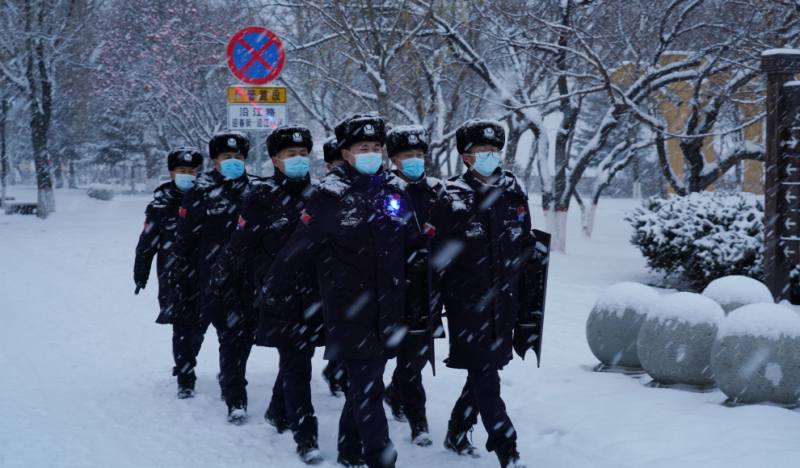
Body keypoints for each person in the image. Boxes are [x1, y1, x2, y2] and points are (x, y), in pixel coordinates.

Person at [259, 114, 417, 468]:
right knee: (368, 387)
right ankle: (380, 458)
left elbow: (412, 247)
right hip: (349, 310)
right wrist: (271, 286)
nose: (371, 152)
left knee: (367, 385)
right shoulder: (328, 197)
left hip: (388, 309)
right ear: (346, 154)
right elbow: (297, 247)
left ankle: (349, 449)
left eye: (376, 146)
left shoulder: (395, 191)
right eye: (363, 147)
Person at [210, 125, 324, 464]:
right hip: (280, 296)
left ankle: (277, 409)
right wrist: (220, 277)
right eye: (291, 154)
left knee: (299, 361)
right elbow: (240, 244)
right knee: (297, 366)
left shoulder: (322, 196)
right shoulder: (261, 198)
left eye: (303, 154)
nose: (299, 159)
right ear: (275, 160)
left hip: (317, 296)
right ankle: (306, 437)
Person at [426, 119, 533, 468]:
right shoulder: (451, 197)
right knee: (486, 377)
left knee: (483, 372)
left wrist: (528, 306)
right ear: (466, 156)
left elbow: (527, 249)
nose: (489, 155)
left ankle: (457, 430)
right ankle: (507, 449)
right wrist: (431, 309)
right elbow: (435, 258)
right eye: (481, 150)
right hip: (467, 306)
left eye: (494, 150)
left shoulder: (514, 192)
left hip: (505, 303)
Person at [168, 131, 259, 425]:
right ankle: (234, 398)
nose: (233, 161)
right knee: (226, 337)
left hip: (251, 280)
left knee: (243, 338)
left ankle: (231, 381)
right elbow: (184, 240)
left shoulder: (257, 190)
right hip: (213, 281)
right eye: (226, 157)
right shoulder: (200, 193)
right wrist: (181, 279)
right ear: (215, 161)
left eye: (238, 157)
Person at [381, 125, 444, 447]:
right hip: (392, 291)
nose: (416, 160)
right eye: (408, 155)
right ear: (394, 159)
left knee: (415, 359)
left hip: (428, 290)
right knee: (396, 357)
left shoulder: (437, 191)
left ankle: (410, 409)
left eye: (420, 154)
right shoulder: (383, 191)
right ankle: (411, 414)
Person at [133, 147, 203, 399]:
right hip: (175, 277)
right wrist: (141, 274)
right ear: (172, 173)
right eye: (182, 170)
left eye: (192, 171)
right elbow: (146, 243)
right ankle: (185, 376)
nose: (188, 175)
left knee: (199, 328)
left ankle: (189, 360)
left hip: (207, 275)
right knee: (183, 328)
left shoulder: (207, 199)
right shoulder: (160, 206)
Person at [319, 135, 350, 398]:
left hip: (358, 274)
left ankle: (338, 370)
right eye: (340, 162)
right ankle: (337, 371)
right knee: (339, 327)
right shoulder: (324, 195)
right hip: (330, 273)